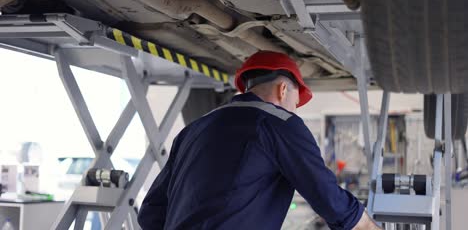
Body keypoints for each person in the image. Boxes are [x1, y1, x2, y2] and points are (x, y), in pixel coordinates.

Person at [138, 51, 381, 230]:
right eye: (295, 104)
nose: (293, 111)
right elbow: (329, 198)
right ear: (283, 90)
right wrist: (369, 226)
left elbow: (150, 213)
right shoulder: (280, 124)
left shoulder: (193, 130)